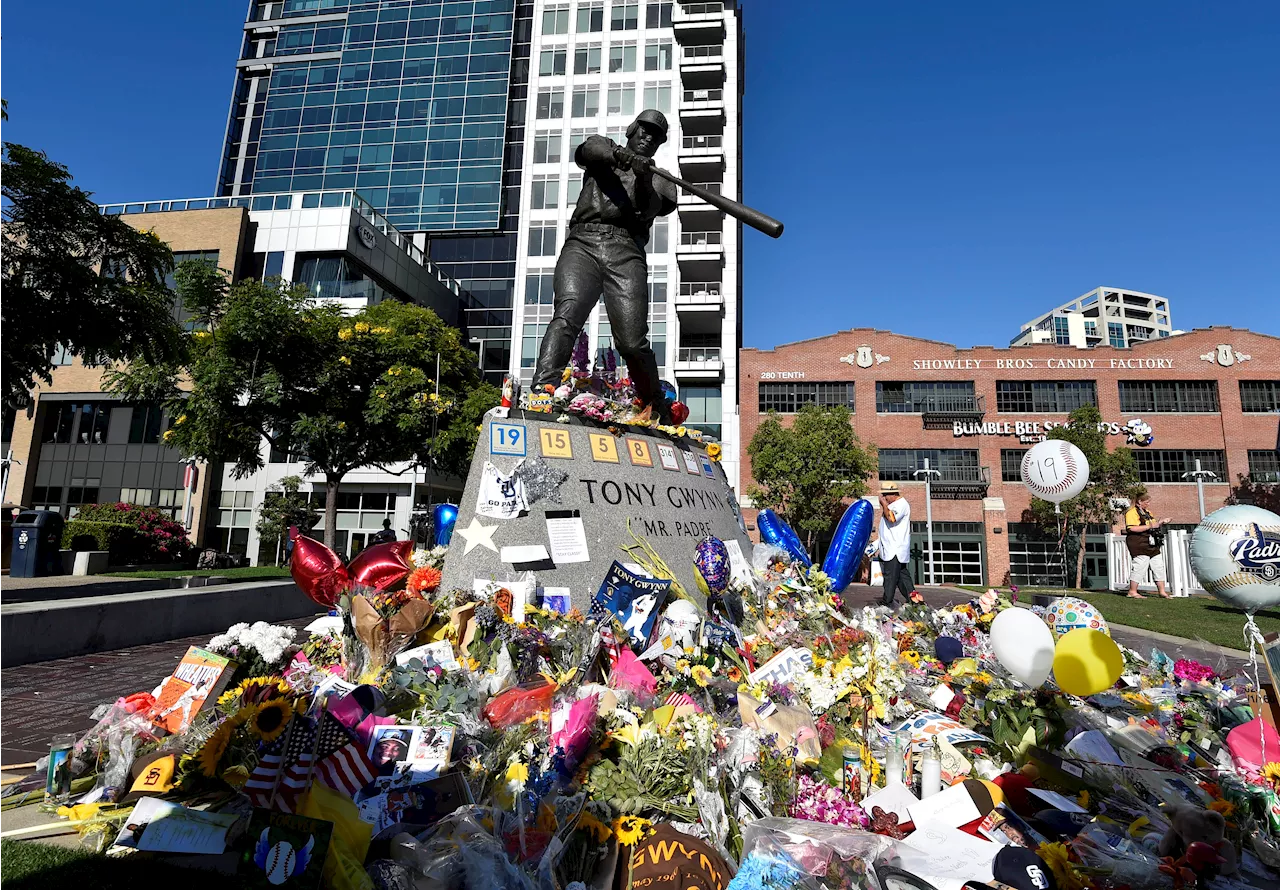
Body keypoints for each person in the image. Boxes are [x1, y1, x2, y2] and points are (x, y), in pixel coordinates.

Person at [529, 109, 678, 420]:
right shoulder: (604, 148)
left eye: (656, 135)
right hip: (583, 242)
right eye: (644, 130)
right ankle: (543, 387)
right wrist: (620, 157)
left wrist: (644, 175)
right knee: (568, 314)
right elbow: (585, 152)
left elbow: (649, 210)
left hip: (625, 251)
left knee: (632, 341)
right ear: (632, 130)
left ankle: (653, 403)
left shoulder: (661, 178)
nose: (648, 137)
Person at [1124, 493, 1171, 598]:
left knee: (1158, 566)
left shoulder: (1148, 513)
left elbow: (1154, 525)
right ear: (1139, 502)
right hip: (1138, 542)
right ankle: (1132, 591)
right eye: (1147, 502)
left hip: (1151, 543)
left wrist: (1162, 522)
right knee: (1140, 565)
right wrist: (1150, 526)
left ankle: (1162, 591)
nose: (1148, 504)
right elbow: (1132, 528)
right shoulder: (1131, 512)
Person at [877, 482, 915, 607]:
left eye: (885, 495)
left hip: (895, 549)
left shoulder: (901, 504)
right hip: (891, 548)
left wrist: (884, 504)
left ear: (892, 494)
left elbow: (892, 518)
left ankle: (886, 603)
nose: (884, 498)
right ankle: (914, 600)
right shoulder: (895, 504)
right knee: (902, 577)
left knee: (890, 577)